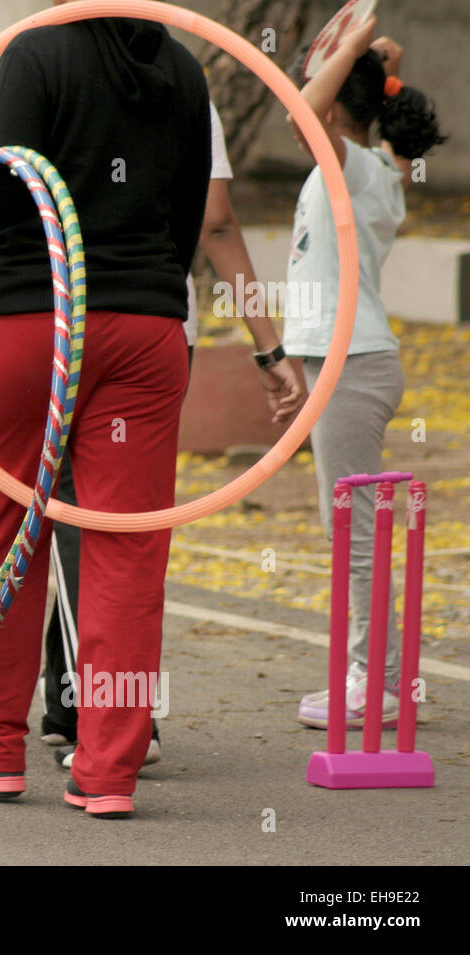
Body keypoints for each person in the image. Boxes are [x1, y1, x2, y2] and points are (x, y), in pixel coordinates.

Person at [0, 6, 210, 817]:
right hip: (147, 329)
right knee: (125, 550)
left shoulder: (38, 51)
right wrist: (147, 285)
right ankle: (109, 769)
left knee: (0, 531)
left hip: (34, 323)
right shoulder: (186, 68)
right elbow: (190, 214)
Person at [40, 99, 308, 769]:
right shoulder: (188, 88)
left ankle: (104, 716)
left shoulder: (49, 67)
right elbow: (217, 224)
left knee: (80, 516)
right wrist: (269, 349)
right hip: (160, 329)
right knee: (121, 517)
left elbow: (5, 205)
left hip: (63, 321)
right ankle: (75, 700)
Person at [284, 19, 446, 729]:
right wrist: (376, 65)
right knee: (352, 532)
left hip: (352, 365)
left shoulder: (349, 163)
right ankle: (373, 676)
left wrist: (350, 55)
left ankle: (375, 684)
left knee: (353, 538)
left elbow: (301, 109)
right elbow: (323, 105)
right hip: (348, 361)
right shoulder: (378, 165)